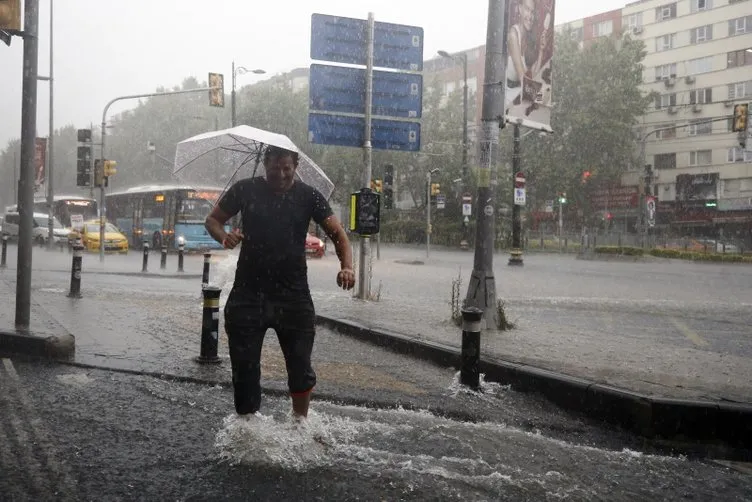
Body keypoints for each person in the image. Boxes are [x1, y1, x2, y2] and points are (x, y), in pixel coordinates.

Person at [205, 145, 355, 421]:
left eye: (288, 169)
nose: (282, 175)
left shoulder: (309, 196)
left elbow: (338, 234)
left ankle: (300, 423)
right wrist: (224, 237)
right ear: (266, 164)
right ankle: (248, 426)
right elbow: (213, 220)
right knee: (245, 367)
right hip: (248, 294)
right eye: (276, 168)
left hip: (293, 295)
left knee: (300, 366)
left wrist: (347, 266)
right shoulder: (245, 189)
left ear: (295, 167)